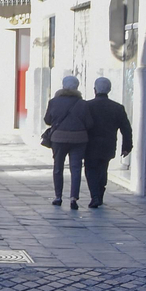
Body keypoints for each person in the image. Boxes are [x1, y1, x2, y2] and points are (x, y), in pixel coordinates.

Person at [44, 75, 94, 209]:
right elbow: (89, 123)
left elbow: (47, 120)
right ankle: (73, 198)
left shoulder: (54, 102)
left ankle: (58, 196)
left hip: (58, 139)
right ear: (77, 87)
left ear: (63, 86)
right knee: (76, 168)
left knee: (58, 167)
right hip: (79, 139)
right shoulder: (83, 103)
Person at [84, 77, 133, 209]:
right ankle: (99, 193)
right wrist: (127, 147)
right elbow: (126, 129)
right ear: (109, 90)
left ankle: (95, 196)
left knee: (90, 170)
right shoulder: (117, 108)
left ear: (95, 90)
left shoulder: (87, 106)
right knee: (102, 168)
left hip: (90, 145)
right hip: (108, 145)